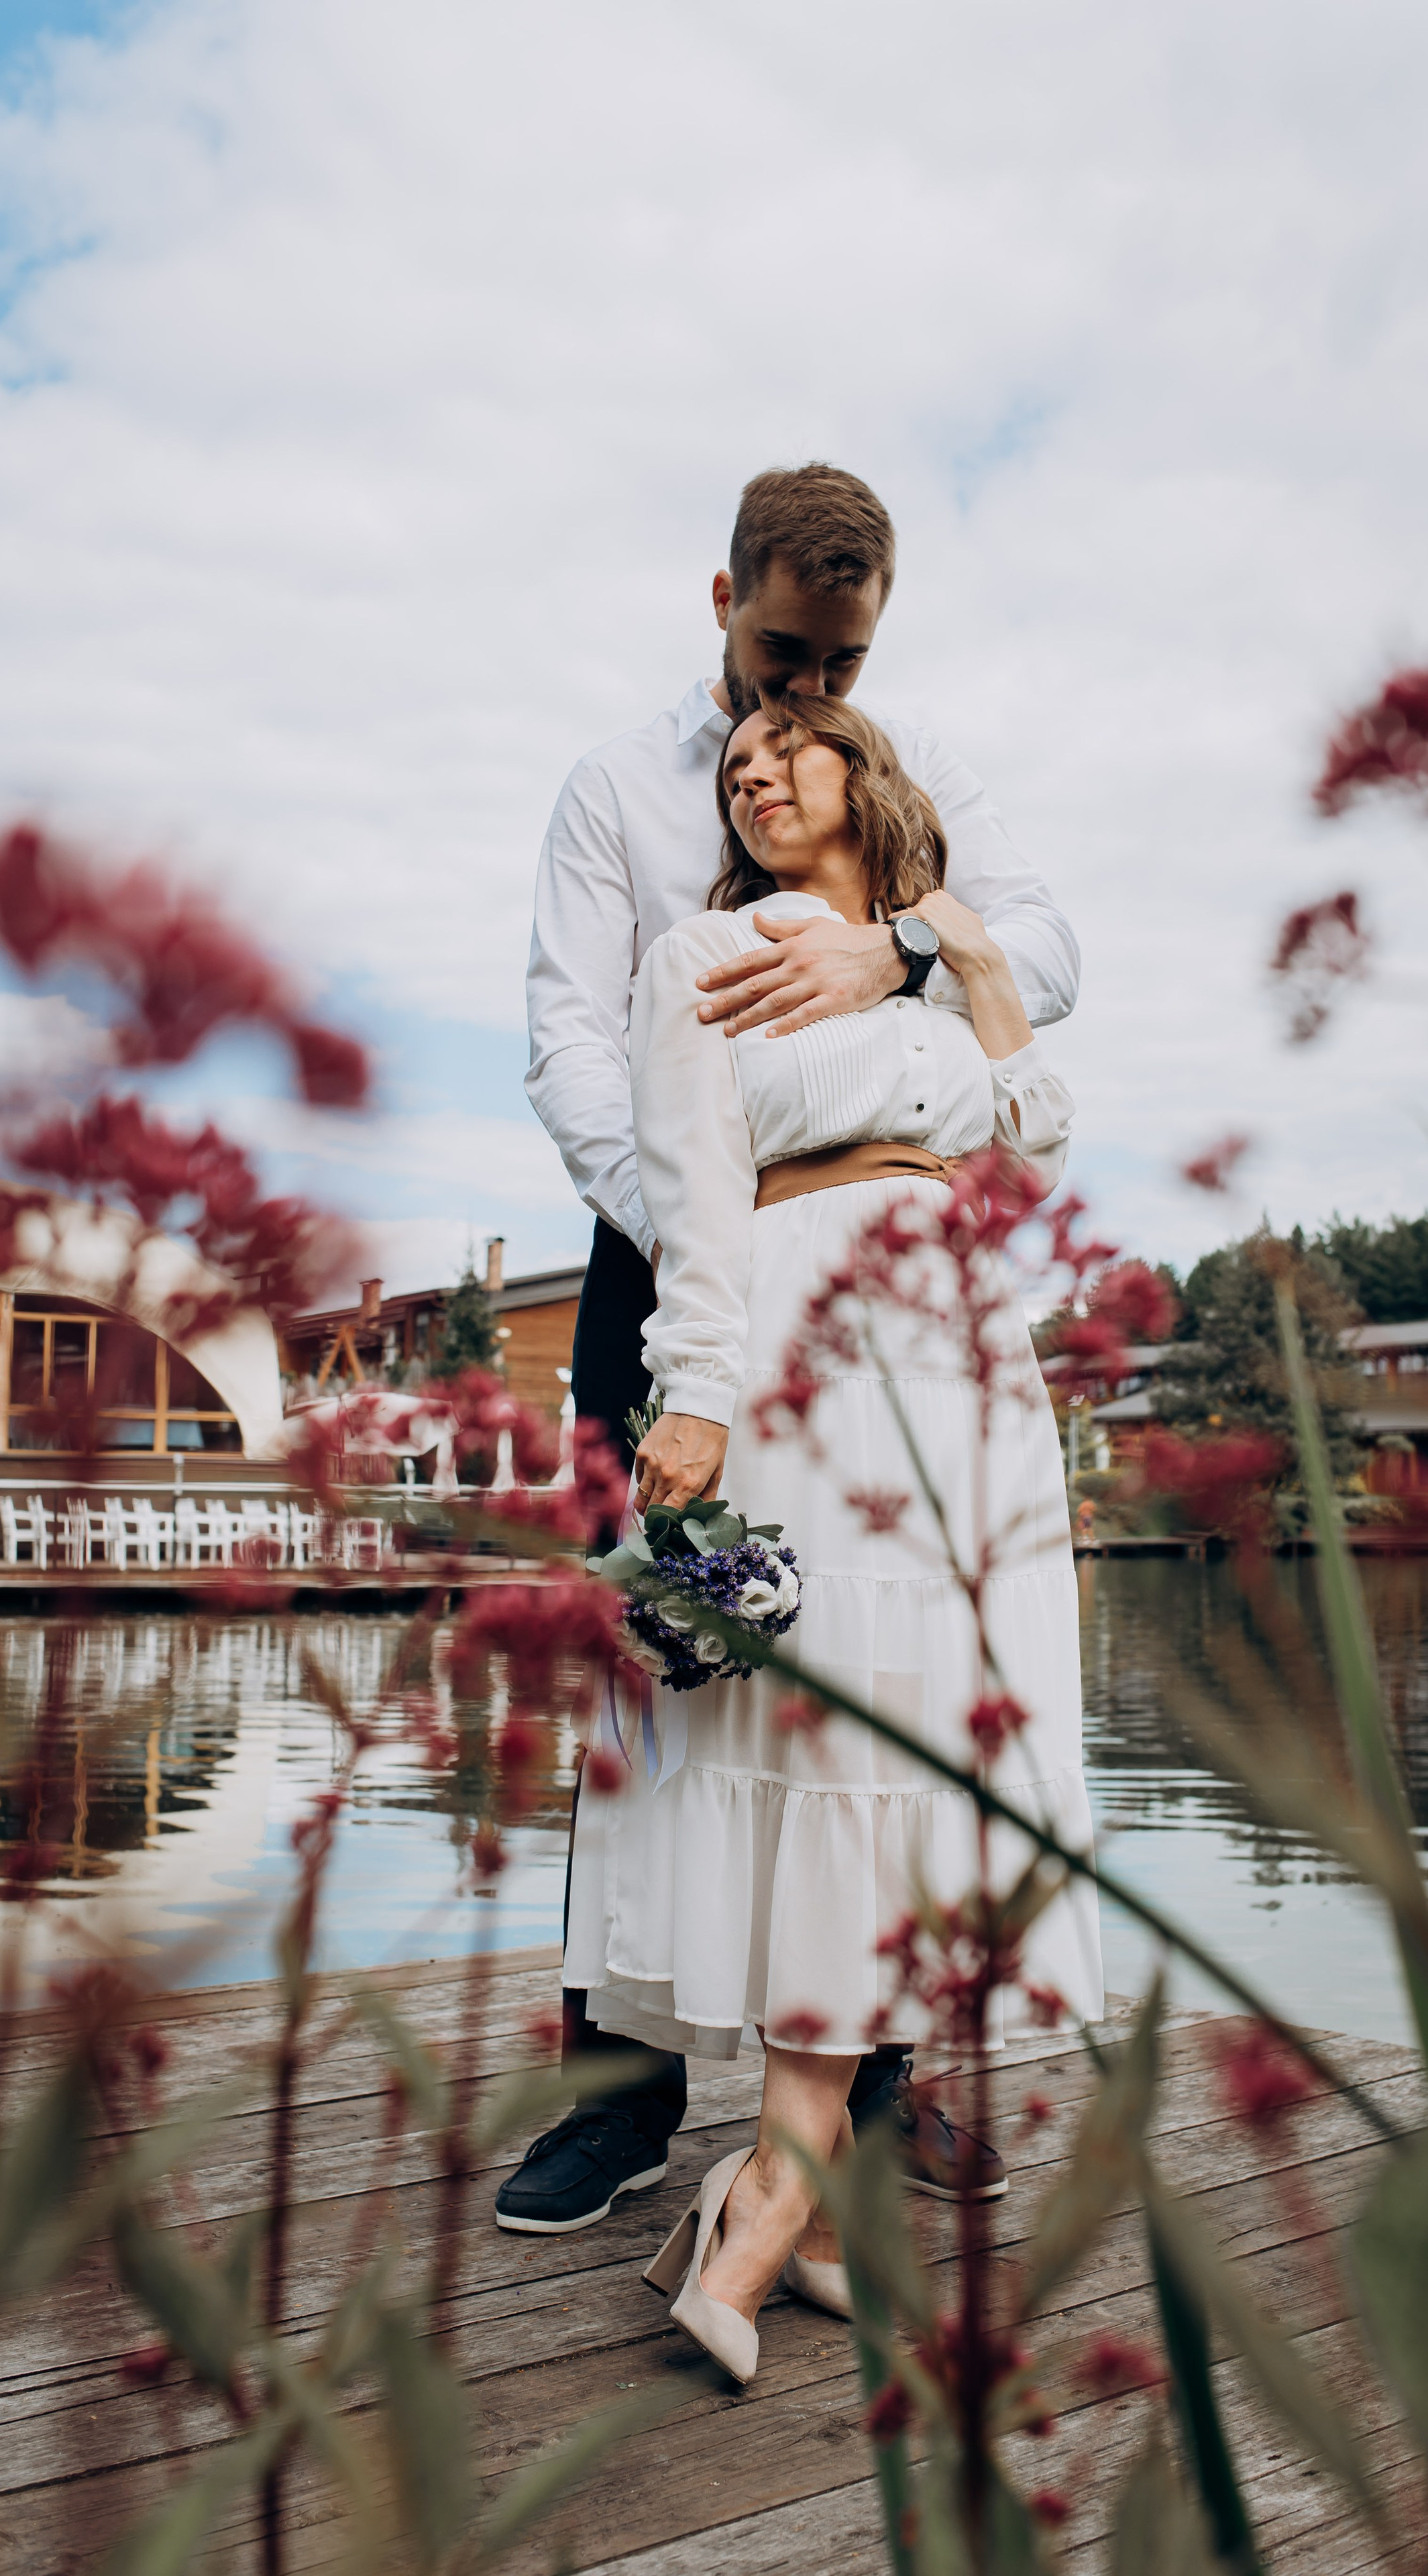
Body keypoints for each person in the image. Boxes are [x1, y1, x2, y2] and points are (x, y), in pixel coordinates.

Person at [503, 462, 1081, 2236]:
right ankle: (623, 2094)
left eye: (838, 665)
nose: (805, 695)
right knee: (663, 1652)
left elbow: (1040, 955)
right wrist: (702, 1227)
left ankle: (873, 2074)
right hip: (670, 1254)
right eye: (784, 652)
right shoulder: (614, 787)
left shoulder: (911, 775)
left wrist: (890, 944)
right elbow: (569, 1043)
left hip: (884, 1298)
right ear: (722, 600)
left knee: (884, 1660)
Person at [565, 694, 1103, 2381]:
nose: (748, 778)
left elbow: (1029, 1139)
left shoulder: (919, 958)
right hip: (801, 1333)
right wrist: (694, 1394)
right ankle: (768, 2206)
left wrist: (940, 949)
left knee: (929, 1746)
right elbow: (691, 1190)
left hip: (952, 1355)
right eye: (732, 772)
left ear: (858, 777)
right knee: (817, 1741)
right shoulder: (700, 957)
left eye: (780, 755)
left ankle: (775, 2214)